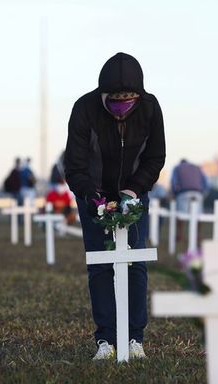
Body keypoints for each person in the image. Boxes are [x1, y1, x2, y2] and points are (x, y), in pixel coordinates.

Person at [64, 52, 166, 360]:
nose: (121, 109)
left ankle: (135, 337)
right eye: (115, 102)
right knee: (100, 265)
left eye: (128, 101)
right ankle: (105, 340)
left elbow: (155, 157)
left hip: (132, 195)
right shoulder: (84, 109)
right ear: (103, 95)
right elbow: (75, 166)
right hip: (93, 196)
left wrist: (133, 190)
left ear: (138, 96)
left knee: (136, 262)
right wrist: (93, 198)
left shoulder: (150, 108)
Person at [170, 159, 209, 243]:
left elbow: (174, 181)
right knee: (198, 216)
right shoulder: (197, 168)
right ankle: (198, 236)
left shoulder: (177, 168)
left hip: (184, 193)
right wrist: (203, 194)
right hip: (198, 193)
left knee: (181, 216)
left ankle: (180, 236)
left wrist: (174, 193)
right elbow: (205, 182)